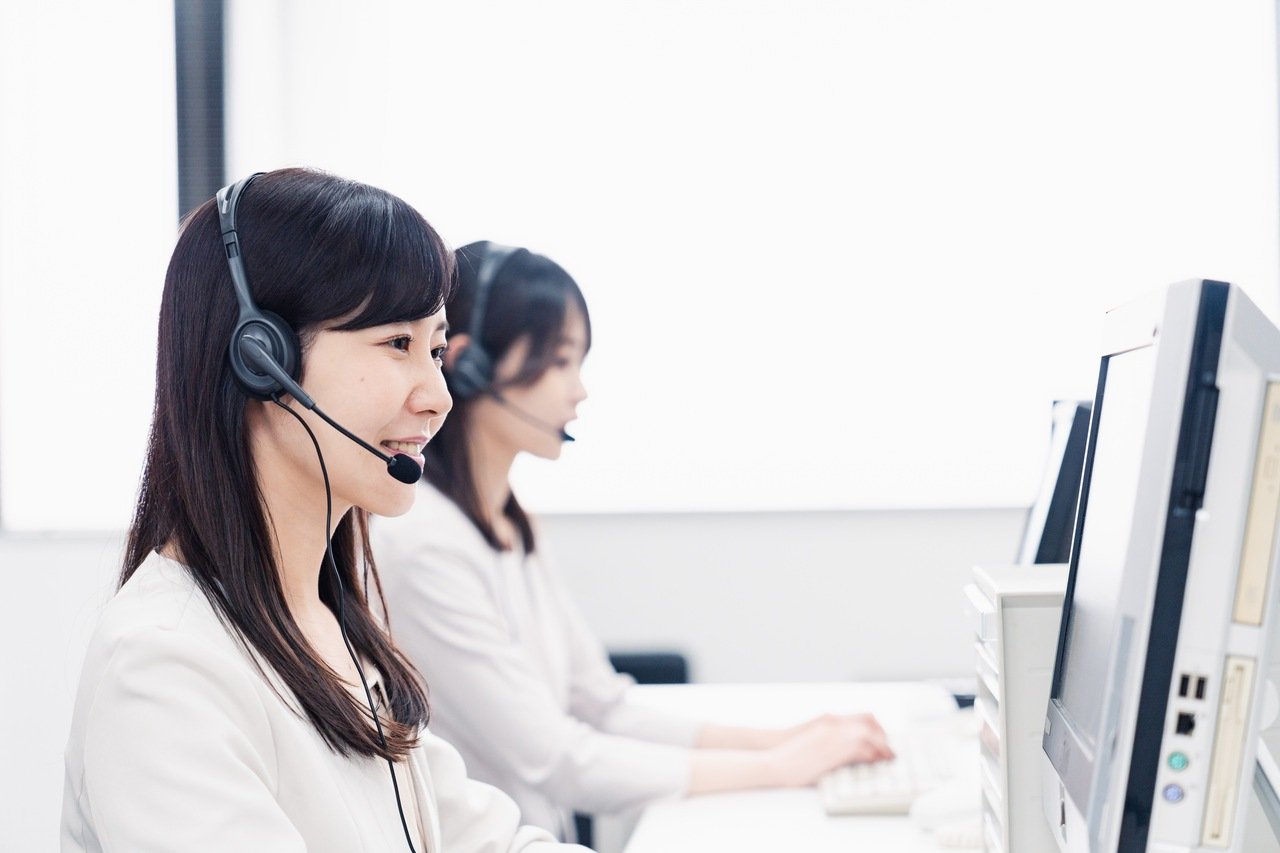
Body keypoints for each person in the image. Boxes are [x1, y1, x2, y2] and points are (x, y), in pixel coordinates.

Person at [61, 172, 589, 853]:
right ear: (262, 359)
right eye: (398, 344)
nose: (438, 395)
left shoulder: (328, 623)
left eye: (435, 349)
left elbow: (482, 838)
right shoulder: (164, 666)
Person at [370, 241, 895, 841]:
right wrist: (775, 767)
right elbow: (556, 758)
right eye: (560, 360)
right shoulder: (423, 544)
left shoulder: (509, 522)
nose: (579, 390)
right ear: (470, 367)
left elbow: (601, 703)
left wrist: (783, 742)